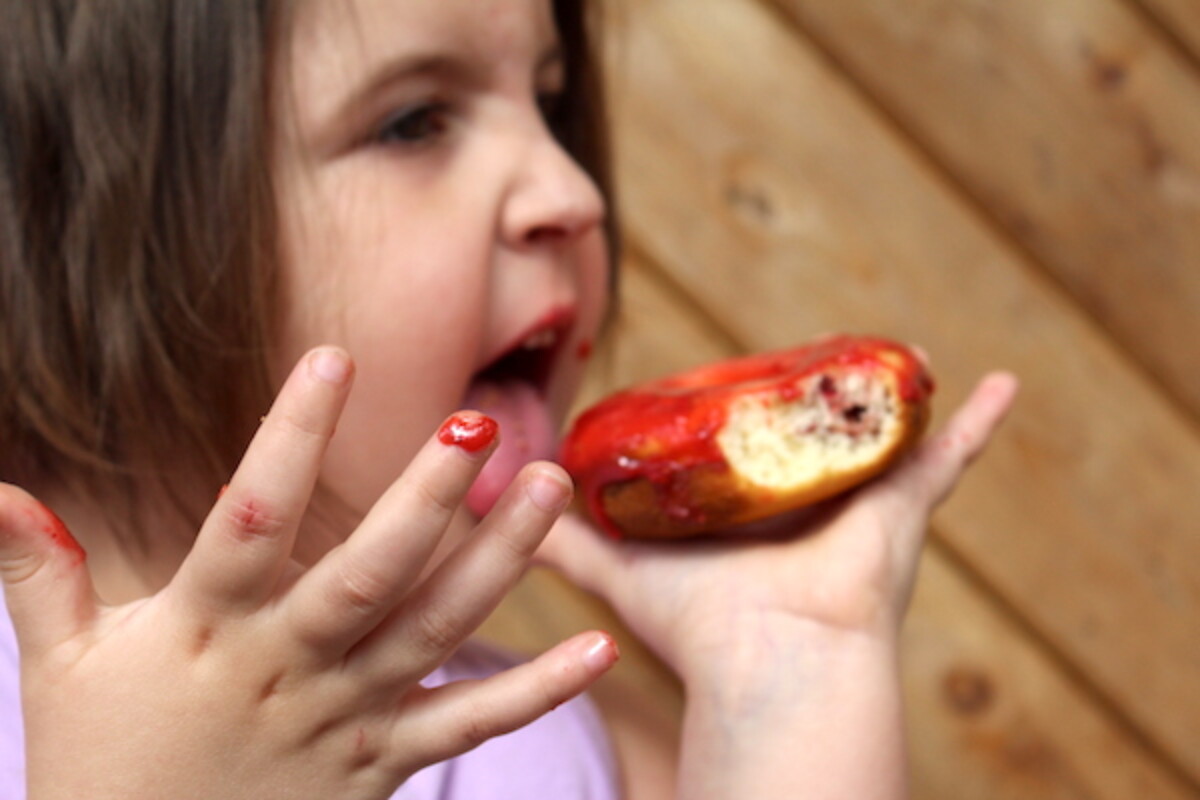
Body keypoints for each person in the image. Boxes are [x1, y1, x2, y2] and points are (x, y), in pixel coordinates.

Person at [0, 0, 1018, 797]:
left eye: (549, 101)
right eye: (414, 121)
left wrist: (790, 672)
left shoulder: (590, 753)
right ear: (85, 239)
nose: (573, 192)